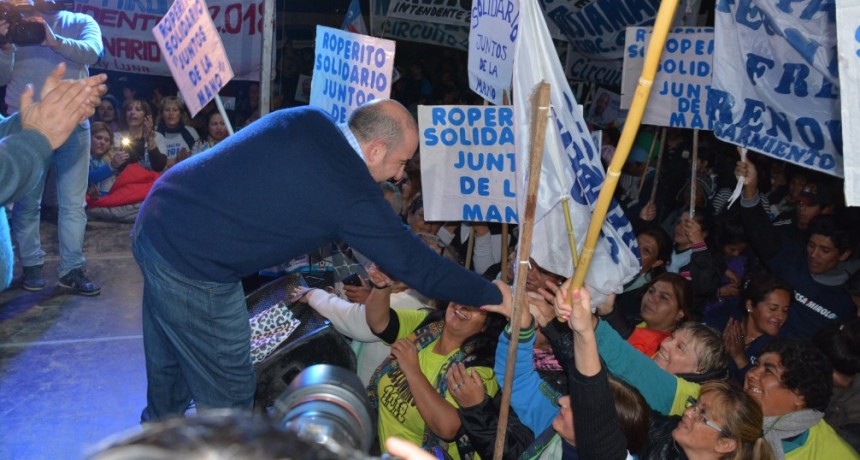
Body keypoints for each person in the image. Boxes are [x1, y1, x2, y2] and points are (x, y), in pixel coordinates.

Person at [132, 99, 504, 421]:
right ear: (374, 150)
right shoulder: (350, 191)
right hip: (193, 266)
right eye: (401, 161)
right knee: (229, 394)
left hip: (158, 218)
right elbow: (418, 266)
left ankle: (156, 440)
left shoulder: (311, 118)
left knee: (169, 362)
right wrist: (495, 294)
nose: (401, 174)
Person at [562, 285, 774, 460]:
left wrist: (588, 325)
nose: (689, 412)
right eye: (696, 406)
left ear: (725, 444)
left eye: (702, 414)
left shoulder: (682, 392)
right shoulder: (666, 434)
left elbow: (629, 367)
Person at [0, 4, 104, 295]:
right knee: (26, 202)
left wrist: (51, 39)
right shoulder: (13, 24)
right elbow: (1, 77)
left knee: (73, 203)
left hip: (74, 126)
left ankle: (71, 270)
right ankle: (31, 265)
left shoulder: (81, 21)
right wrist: (6, 47)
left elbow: (93, 51)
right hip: (24, 125)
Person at [364, 265, 505, 459]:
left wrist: (412, 371)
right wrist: (380, 287)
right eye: (462, 296)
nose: (463, 305)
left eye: (476, 307)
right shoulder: (428, 328)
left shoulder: (478, 369)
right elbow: (377, 321)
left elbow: (448, 429)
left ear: (486, 325)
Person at [736, 159, 857, 338]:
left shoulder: (850, 295)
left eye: (825, 250)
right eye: (811, 246)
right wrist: (750, 188)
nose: (813, 255)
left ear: (844, 254)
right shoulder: (792, 259)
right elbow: (759, 230)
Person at [155, 96, 199, 168]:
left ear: (180, 114)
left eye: (175, 110)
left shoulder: (191, 132)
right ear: (162, 114)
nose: (171, 113)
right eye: (167, 110)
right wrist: (176, 160)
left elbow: (198, 159)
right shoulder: (154, 133)